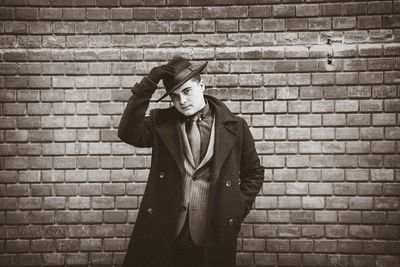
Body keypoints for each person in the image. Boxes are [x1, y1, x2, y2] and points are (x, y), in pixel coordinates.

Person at [118, 55, 264, 267]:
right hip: (166, 230)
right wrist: (149, 83)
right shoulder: (161, 123)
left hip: (211, 231)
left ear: (201, 86)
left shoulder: (236, 127)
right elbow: (128, 133)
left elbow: (254, 172)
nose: (182, 101)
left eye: (187, 91)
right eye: (175, 97)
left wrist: (236, 207)